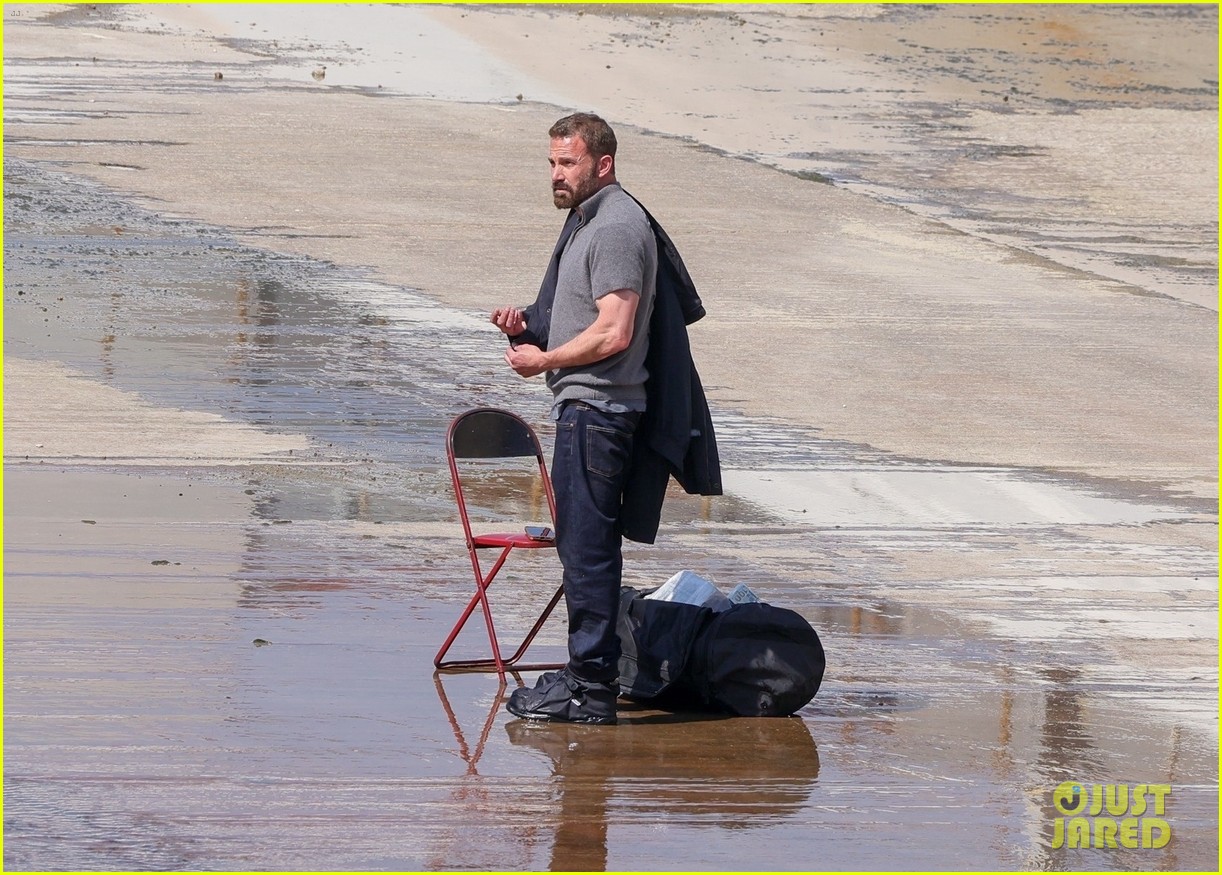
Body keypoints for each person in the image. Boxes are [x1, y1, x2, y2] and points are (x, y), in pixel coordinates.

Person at [490, 112, 658, 725]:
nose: (557, 175)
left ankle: (590, 690)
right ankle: (587, 679)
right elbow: (575, 316)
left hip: (600, 411)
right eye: (552, 163)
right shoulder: (584, 222)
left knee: (587, 553)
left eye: (568, 164)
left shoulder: (615, 226)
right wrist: (526, 326)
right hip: (586, 408)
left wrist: (545, 361)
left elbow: (614, 331)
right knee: (582, 550)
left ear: (602, 165)